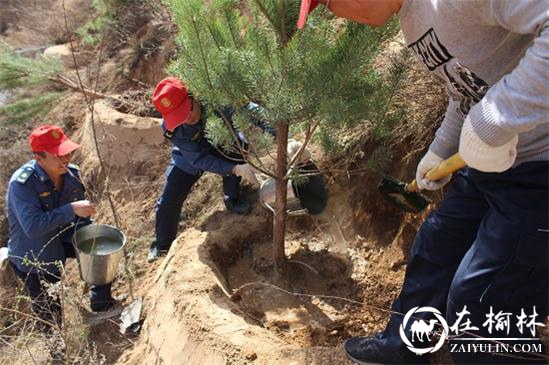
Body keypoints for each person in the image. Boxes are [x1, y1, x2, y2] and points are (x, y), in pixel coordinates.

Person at [298, 1, 548, 364]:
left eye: (330, 3)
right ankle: (406, 347)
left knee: (480, 304)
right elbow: (464, 90)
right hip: (497, 163)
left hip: (539, 169)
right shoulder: (413, 20)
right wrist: (440, 149)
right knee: (434, 246)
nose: (335, 15)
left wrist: (498, 118)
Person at [6, 125, 119, 328]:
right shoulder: (22, 184)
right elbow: (32, 227)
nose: (65, 159)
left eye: (67, 153)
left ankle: (102, 303)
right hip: (35, 256)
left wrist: (90, 234)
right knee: (51, 313)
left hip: (64, 238)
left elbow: (79, 220)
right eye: (58, 156)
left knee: (101, 246)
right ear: (38, 159)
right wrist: (71, 209)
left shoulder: (71, 174)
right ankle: (57, 353)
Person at [148, 77, 267, 262]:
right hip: (190, 156)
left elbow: (250, 110)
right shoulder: (172, 129)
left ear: (192, 96)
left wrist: (284, 134)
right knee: (168, 200)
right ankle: (163, 245)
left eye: (185, 111)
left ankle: (232, 199)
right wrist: (235, 168)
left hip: (225, 142)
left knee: (238, 148)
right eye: (179, 118)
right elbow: (198, 159)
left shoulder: (217, 97)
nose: (186, 120)